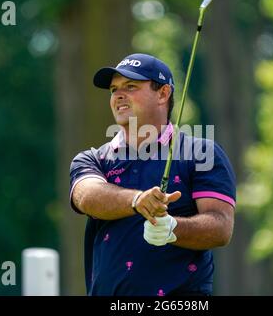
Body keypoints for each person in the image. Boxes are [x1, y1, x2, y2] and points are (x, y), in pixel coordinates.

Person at [69, 53, 236, 296]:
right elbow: (86, 196)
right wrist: (137, 201)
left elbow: (221, 227)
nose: (118, 96)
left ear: (163, 94)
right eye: (114, 89)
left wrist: (172, 228)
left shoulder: (200, 152)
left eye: (131, 86)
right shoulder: (93, 159)